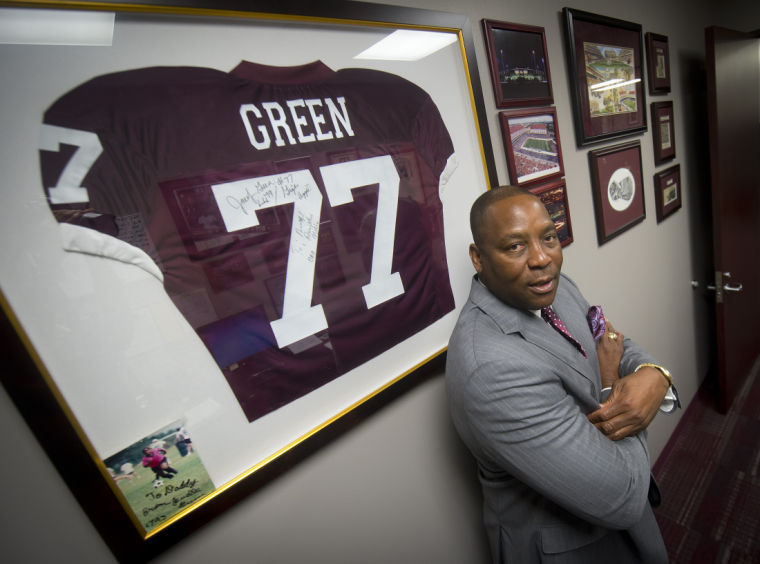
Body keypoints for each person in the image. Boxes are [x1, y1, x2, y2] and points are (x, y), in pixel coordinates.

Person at [446, 185, 678, 563]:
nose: (543, 259)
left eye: (549, 237)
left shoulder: (555, 287)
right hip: (568, 545)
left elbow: (613, 342)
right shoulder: (490, 370)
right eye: (515, 247)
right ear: (478, 257)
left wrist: (654, 372)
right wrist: (610, 383)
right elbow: (620, 495)